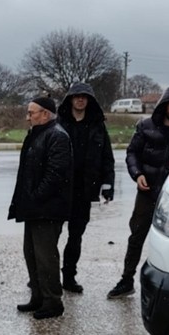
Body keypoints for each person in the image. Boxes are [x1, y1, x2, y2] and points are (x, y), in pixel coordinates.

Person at [108, 86, 169, 299]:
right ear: (165, 106)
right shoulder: (146, 126)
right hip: (147, 191)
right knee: (137, 235)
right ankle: (126, 279)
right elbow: (132, 153)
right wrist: (137, 174)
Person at [9, 97, 73, 320]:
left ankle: (52, 301)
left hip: (48, 209)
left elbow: (55, 174)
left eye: (31, 113)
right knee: (31, 254)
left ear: (45, 114)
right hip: (34, 208)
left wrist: (35, 197)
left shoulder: (57, 135)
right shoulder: (37, 133)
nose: (28, 117)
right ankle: (38, 297)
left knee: (46, 257)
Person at [56, 82, 115, 293]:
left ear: (89, 100)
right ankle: (46, 275)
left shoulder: (97, 125)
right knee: (51, 235)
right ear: (70, 99)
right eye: (76, 96)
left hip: (83, 189)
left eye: (84, 96)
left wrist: (108, 186)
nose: (80, 100)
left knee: (75, 235)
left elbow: (107, 158)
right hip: (60, 188)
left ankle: (69, 276)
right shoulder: (59, 123)